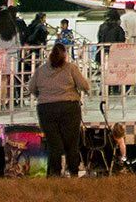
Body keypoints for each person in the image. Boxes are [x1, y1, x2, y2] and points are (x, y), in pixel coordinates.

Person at [32, 38, 91, 177]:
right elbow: (84, 85)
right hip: (69, 107)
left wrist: (44, 95)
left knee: (54, 144)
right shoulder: (71, 68)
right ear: (65, 54)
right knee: (71, 143)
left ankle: (55, 173)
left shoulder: (41, 70)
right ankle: (73, 172)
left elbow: (32, 88)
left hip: (46, 109)